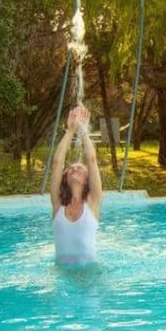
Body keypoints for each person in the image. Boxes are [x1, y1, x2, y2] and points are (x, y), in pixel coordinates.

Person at [49, 104, 103, 265]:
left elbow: (92, 161)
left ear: (87, 178)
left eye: (79, 168)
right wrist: (70, 131)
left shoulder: (92, 203)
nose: (74, 168)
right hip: (62, 277)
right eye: (71, 168)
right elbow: (58, 162)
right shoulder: (58, 204)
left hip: (89, 277)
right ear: (65, 177)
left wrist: (84, 131)